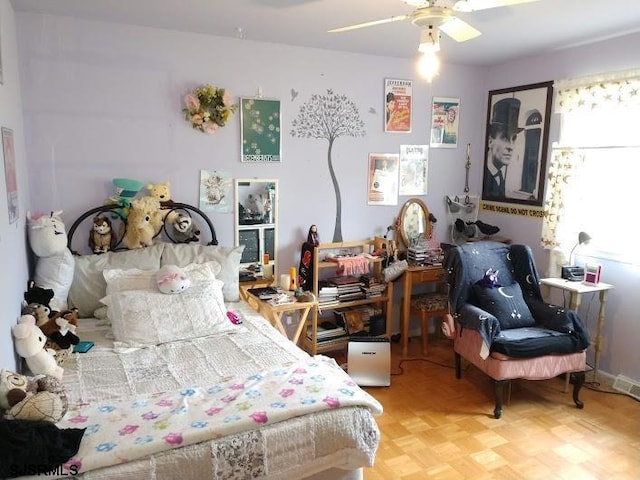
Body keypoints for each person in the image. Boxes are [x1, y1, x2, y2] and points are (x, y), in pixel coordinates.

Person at [483, 97, 524, 199]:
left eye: (513, 139)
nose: (510, 146)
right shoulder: (484, 175)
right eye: (505, 138)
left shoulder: (499, 175)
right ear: (490, 141)